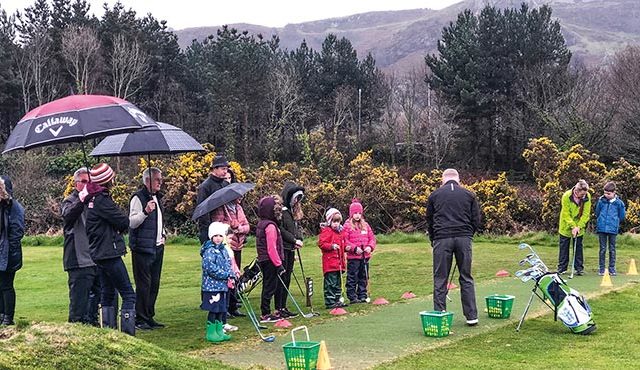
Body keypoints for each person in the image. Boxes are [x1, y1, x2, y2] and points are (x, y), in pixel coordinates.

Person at [84, 163, 136, 336]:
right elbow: (123, 221)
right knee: (128, 294)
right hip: (109, 253)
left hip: (99, 254)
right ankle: (128, 335)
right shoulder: (102, 201)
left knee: (107, 293)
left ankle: (109, 333)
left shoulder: (92, 200)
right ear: (108, 180)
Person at [426, 169, 481, 326]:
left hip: (442, 239)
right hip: (463, 238)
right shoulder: (469, 195)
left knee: (440, 277)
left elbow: (429, 220)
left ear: (443, 179)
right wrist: (469, 234)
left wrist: (433, 238)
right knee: (466, 277)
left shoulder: (434, 195)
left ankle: (440, 314)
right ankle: (471, 316)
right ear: (458, 179)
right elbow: (476, 219)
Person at [61, 167, 100, 326]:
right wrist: (82, 198)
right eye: (83, 182)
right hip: (78, 260)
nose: (86, 185)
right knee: (78, 305)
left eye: (89, 182)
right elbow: (68, 215)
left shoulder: (94, 201)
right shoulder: (69, 201)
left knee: (95, 304)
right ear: (76, 183)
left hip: (96, 257)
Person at [129, 167, 166, 330]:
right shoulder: (138, 198)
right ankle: (140, 317)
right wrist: (145, 211)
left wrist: (163, 233)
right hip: (142, 247)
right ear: (147, 181)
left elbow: (159, 219)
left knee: (155, 283)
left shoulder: (158, 197)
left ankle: (149, 315)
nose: (160, 182)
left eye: (160, 179)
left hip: (157, 245)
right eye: (157, 179)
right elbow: (132, 222)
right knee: (144, 284)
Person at [211, 167, 248, 318]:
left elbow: (246, 225)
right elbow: (217, 226)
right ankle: (225, 307)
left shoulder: (238, 208)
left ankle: (233, 306)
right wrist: (231, 227)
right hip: (227, 246)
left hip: (238, 245)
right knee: (227, 277)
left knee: (236, 275)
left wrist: (240, 228)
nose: (240, 197)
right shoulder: (221, 207)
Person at [200, 222, 234, 343]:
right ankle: (211, 332)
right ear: (211, 237)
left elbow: (228, 264)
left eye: (220, 236)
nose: (218, 238)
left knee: (221, 309)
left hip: (222, 286)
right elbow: (210, 268)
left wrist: (232, 275)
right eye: (215, 236)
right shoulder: (209, 251)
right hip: (212, 287)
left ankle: (219, 331)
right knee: (214, 309)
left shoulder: (223, 250)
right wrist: (225, 275)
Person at [255, 195, 286, 323]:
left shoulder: (262, 223)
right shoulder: (270, 226)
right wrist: (279, 264)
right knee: (269, 287)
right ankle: (265, 313)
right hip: (270, 260)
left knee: (268, 286)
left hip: (264, 259)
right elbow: (272, 248)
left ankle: (266, 311)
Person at [277, 181, 305, 318]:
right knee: (282, 277)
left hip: (291, 249)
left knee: (287, 278)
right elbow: (281, 230)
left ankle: (284, 306)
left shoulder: (293, 212)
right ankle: (279, 307)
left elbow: (296, 228)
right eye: (295, 199)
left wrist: (299, 239)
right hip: (283, 248)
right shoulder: (282, 211)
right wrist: (293, 240)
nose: (297, 202)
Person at [0, 176, 25, 326]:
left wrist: (8, 249)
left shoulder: (14, 207)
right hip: (3, 250)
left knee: (6, 285)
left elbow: (17, 231)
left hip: (9, 253)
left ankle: (8, 317)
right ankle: (2, 314)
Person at [343, 199, 376, 304]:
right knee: (353, 276)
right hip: (353, 257)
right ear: (351, 214)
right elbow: (345, 240)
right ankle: (352, 296)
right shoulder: (347, 226)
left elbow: (372, 238)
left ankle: (362, 294)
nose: (357, 215)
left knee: (364, 276)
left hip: (365, 256)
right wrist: (354, 248)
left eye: (359, 213)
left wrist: (370, 247)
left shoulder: (365, 225)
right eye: (355, 213)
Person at [558, 179, 591, 276]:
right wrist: (573, 226)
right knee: (564, 247)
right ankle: (562, 268)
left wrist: (578, 227)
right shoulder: (566, 196)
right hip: (566, 224)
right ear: (576, 191)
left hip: (579, 225)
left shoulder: (587, 196)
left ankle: (579, 268)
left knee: (578, 246)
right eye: (582, 195)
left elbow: (586, 214)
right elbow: (565, 214)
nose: (583, 196)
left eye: (585, 194)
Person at [196, 156, 230, 244]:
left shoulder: (225, 184)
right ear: (215, 169)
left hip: (225, 228)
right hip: (210, 229)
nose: (225, 172)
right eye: (223, 169)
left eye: (226, 169)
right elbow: (202, 211)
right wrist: (210, 231)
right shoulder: (205, 186)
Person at [318, 208, 348, 309]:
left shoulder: (341, 232)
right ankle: (330, 301)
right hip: (330, 263)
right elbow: (322, 244)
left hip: (339, 263)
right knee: (330, 283)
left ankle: (337, 299)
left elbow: (343, 244)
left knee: (338, 283)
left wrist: (346, 247)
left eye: (338, 222)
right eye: (334, 221)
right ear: (329, 221)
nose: (336, 224)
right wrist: (331, 246)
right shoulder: (327, 231)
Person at [595, 181, 626, 276]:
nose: (606, 195)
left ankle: (612, 268)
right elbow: (597, 212)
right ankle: (601, 268)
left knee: (612, 249)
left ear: (614, 193)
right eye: (605, 193)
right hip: (602, 229)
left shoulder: (619, 203)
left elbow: (622, 216)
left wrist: (615, 222)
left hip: (613, 229)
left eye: (609, 193)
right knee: (602, 249)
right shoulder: (601, 201)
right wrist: (600, 221)